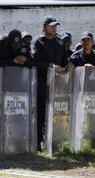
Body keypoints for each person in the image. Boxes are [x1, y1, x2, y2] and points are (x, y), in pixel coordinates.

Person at [30, 16, 67, 150]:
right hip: (41, 83)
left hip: (58, 84)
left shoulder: (60, 42)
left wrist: (69, 65)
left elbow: (64, 59)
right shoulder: (37, 42)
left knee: (58, 114)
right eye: (51, 26)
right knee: (40, 113)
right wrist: (50, 66)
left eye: (55, 25)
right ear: (44, 27)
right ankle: (37, 142)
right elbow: (34, 62)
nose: (54, 28)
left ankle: (55, 142)